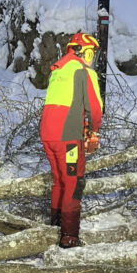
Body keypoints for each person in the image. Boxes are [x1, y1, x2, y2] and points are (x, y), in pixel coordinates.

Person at [39, 32, 103, 248]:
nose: (92, 57)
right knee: (74, 184)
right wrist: (92, 131)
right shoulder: (83, 71)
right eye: (91, 53)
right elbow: (94, 109)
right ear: (85, 51)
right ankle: (69, 237)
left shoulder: (58, 71)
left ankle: (55, 229)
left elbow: (65, 104)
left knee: (60, 181)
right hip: (67, 135)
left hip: (48, 134)